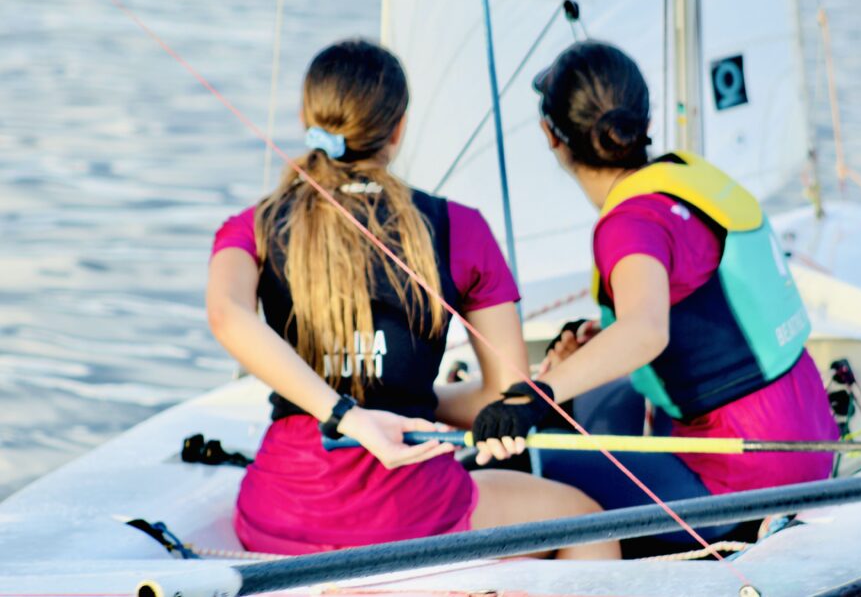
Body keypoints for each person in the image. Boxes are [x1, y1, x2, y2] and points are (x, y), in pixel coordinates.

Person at [206, 39, 618, 558]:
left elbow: (227, 315)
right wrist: (399, 403)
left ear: (307, 118)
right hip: (413, 515)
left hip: (280, 517)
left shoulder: (254, 225)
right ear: (398, 129)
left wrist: (352, 410)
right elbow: (502, 396)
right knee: (588, 521)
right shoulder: (460, 228)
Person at [471, 40, 839, 550]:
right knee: (599, 397)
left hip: (743, 485)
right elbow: (699, 313)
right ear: (643, 119)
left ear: (550, 136)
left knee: (522, 468)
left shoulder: (628, 224)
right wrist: (595, 345)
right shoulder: (684, 180)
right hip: (813, 444)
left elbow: (644, 330)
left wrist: (539, 394)